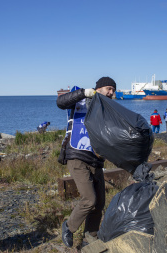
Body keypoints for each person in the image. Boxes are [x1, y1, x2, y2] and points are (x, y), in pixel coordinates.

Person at [56, 76, 116, 247]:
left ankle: (91, 237)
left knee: (99, 203)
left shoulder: (107, 109)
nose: (111, 93)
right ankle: (68, 227)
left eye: (113, 90)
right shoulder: (81, 99)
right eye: (108, 89)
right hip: (76, 155)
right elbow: (61, 102)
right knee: (89, 199)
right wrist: (83, 93)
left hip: (95, 160)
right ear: (98, 89)